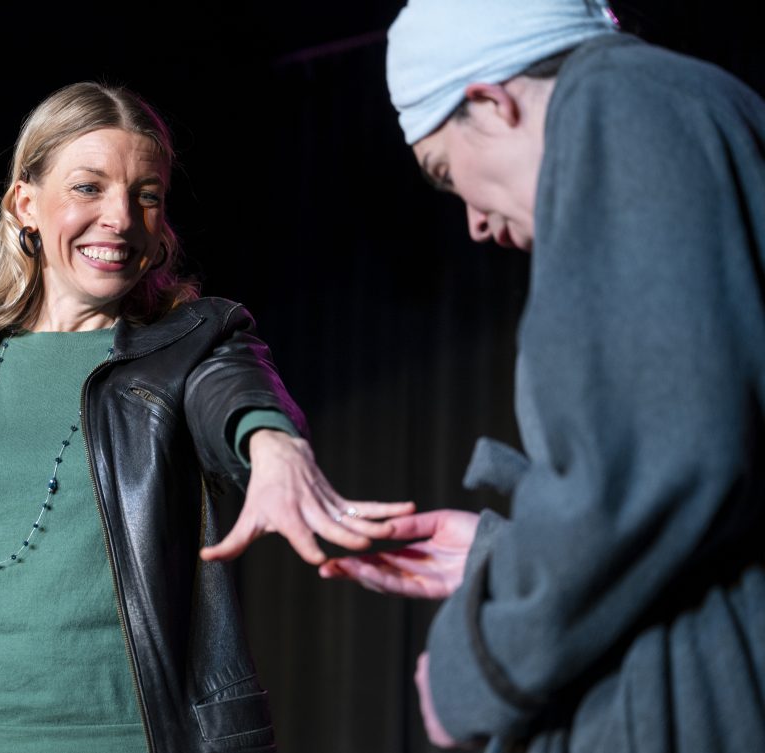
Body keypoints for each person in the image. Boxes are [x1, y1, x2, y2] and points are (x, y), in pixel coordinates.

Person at [0, 81, 415, 753]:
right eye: (88, 188)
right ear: (25, 203)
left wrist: (273, 444)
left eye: (146, 195)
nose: (121, 218)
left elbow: (237, 394)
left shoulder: (192, 343)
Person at [319, 0, 765, 750]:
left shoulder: (619, 103)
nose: (473, 222)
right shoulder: (689, 105)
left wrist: (476, 663)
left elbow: (658, 462)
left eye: (445, 172)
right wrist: (505, 554)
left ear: (492, 103)